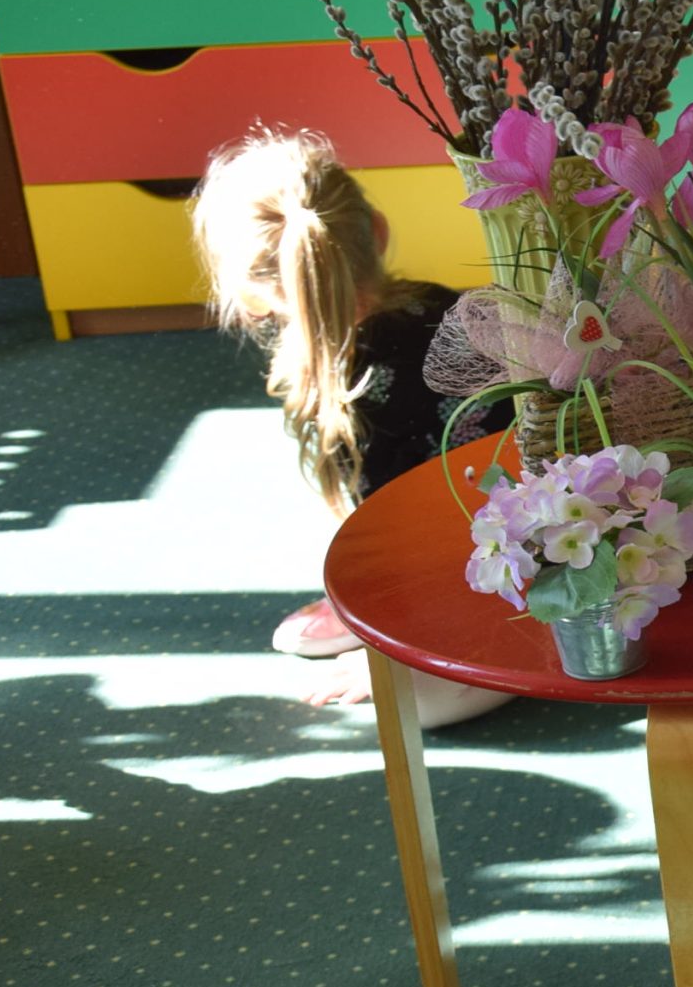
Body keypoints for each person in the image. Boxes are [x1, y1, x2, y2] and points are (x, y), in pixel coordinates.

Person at [193, 129, 505, 725]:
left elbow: (408, 543)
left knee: (410, 704)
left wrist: (384, 652)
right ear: (378, 232)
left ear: (252, 295)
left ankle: (450, 654)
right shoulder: (440, 303)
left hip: (492, 587)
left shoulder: (354, 386)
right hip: (545, 547)